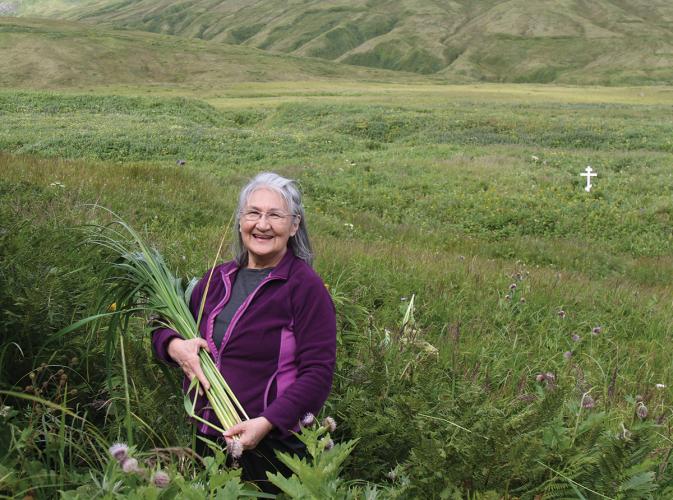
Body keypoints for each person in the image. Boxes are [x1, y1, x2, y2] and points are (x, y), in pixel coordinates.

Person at [151, 172, 337, 492]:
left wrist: (266, 423)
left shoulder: (304, 287)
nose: (262, 224)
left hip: (271, 446)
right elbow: (162, 327)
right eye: (253, 213)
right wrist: (173, 347)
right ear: (240, 221)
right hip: (208, 438)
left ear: (294, 226)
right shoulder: (216, 280)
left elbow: (318, 373)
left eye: (275, 215)